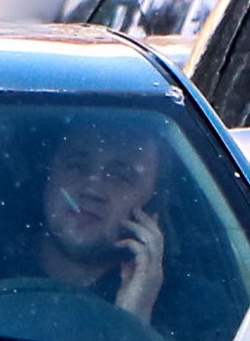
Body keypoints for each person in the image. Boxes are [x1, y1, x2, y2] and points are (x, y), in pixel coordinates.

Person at [31, 113, 170, 326]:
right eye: (77, 166)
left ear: (152, 203)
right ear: (47, 176)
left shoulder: (191, 308)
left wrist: (135, 322)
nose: (92, 189)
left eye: (120, 176)